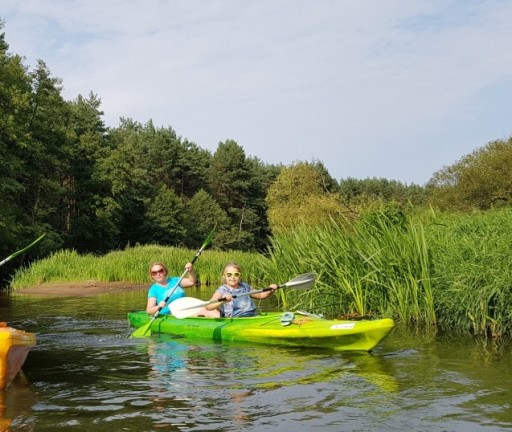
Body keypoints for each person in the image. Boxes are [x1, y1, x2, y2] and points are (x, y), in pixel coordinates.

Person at [205, 262, 278, 317]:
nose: (233, 277)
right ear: (224, 277)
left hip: (251, 315)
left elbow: (261, 295)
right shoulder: (222, 290)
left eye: (236, 274)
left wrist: (270, 290)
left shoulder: (245, 287)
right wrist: (223, 301)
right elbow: (208, 306)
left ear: (240, 276)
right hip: (234, 319)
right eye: (229, 275)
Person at [146, 261, 219, 317]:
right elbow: (149, 310)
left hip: (186, 306)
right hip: (171, 312)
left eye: (160, 271)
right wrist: (159, 306)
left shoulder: (174, 280)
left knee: (211, 309)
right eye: (154, 273)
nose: (158, 274)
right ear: (152, 275)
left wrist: (190, 271)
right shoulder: (153, 289)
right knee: (205, 311)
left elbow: (191, 282)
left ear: (164, 271)